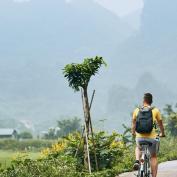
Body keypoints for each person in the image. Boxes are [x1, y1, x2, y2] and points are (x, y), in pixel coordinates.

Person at [131, 93, 165, 177]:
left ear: (143, 101)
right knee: (153, 157)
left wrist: (133, 132)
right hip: (152, 138)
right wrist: (162, 133)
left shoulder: (137, 110)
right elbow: (160, 124)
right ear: (151, 101)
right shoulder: (155, 110)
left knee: (138, 147)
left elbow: (133, 125)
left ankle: (137, 161)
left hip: (140, 138)